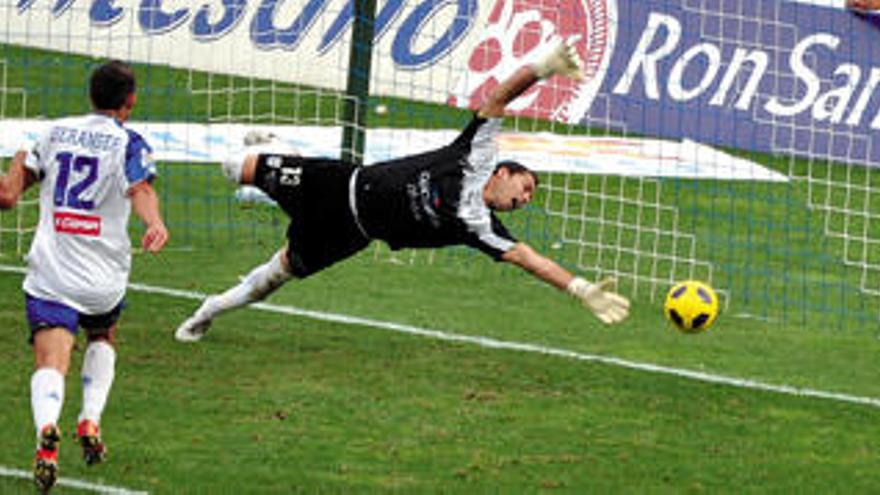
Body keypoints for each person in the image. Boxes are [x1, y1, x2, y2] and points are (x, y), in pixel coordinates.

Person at [174, 42, 629, 344]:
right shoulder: (475, 153)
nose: (523, 198)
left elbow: (531, 259)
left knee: (273, 279)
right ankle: (277, 151)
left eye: (528, 198)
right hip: (337, 184)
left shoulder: (481, 228)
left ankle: (208, 310)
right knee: (234, 167)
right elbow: (498, 99)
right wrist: (543, 68)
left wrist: (581, 289)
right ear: (503, 172)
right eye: (524, 186)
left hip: (348, 235)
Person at [0, 60, 169, 493]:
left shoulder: (55, 131)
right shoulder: (129, 142)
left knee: (51, 359)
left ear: (90, 95)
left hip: (54, 271)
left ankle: (46, 435)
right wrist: (155, 223)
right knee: (102, 336)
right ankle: (89, 418)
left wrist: (18, 160)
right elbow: (141, 190)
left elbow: (11, 193)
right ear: (129, 102)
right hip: (104, 276)